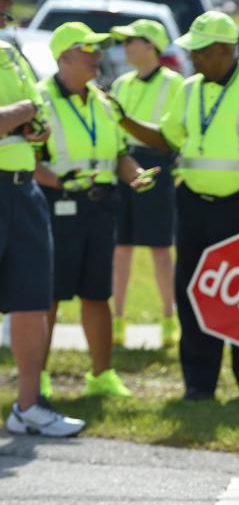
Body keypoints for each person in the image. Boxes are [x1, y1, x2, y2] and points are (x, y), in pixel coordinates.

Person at [114, 11, 239, 400]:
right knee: (192, 292)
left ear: (223, 50)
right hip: (192, 204)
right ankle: (199, 384)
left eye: (199, 51)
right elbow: (166, 139)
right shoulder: (190, 88)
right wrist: (123, 120)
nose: (192, 57)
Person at [34, 23, 157, 400]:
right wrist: (61, 183)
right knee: (48, 295)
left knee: (96, 293)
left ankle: (102, 374)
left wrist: (134, 173)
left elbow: (118, 152)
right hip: (56, 206)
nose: (98, 57)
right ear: (64, 57)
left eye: (99, 49)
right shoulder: (38, 99)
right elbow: (29, 160)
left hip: (101, 207)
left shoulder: (103, 99)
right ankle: (35, 375)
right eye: (89, 50)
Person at [1, 0, 86, 437]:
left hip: (23, 188)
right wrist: (21, 112)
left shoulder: (11, 52)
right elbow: (24, 108)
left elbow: (38, 112)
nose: (7, 7)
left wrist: (26, 120)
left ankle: (28, 406)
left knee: (32, 301)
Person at [109, 19, 184, 349]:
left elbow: (171, 136)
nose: (126, 47)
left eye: (132, 41)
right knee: (120, 248)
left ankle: (169, 319)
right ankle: (118, 320)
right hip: (122, 165)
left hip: (157, 166)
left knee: (159, 249)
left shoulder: (174, 83)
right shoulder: (121, 83)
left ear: (151, 45)